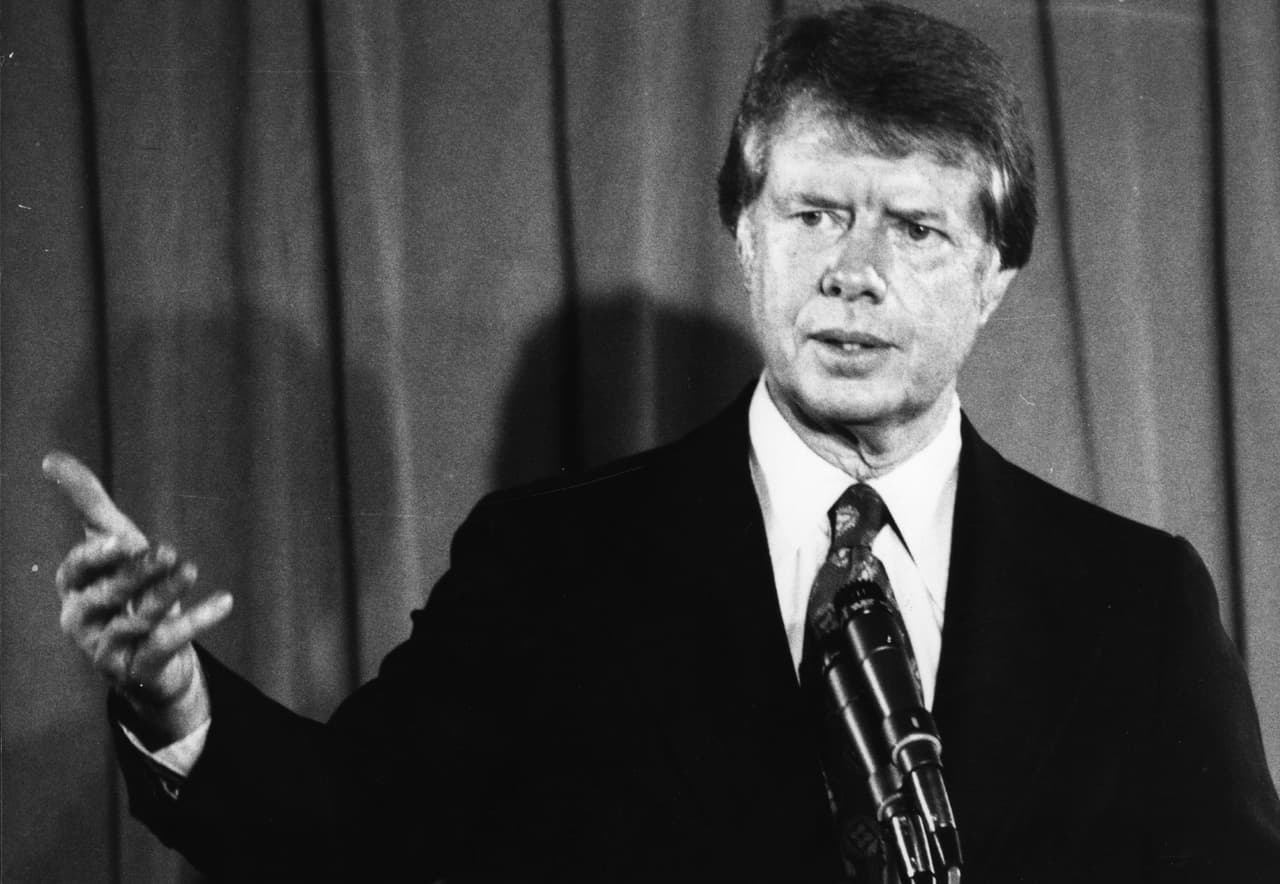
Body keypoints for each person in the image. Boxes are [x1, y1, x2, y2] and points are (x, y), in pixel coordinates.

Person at [46, 3, 1280, 881]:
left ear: (993, 277)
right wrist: (173, 693)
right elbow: (351, 830)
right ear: (744, 233)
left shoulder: (1138, 596)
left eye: (913, 228)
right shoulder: (551, 560)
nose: (852, 274)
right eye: (812, 212)